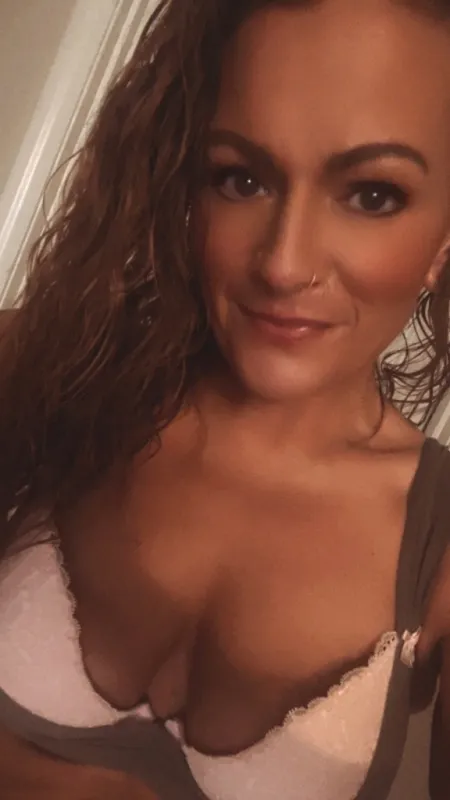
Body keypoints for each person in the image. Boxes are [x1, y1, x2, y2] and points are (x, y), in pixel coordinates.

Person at [2, 0, 450, 797]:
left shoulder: (440, 543)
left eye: (373, 195)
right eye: (241, 179)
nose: (283, 263)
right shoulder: (48, 368)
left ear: (442, 240)